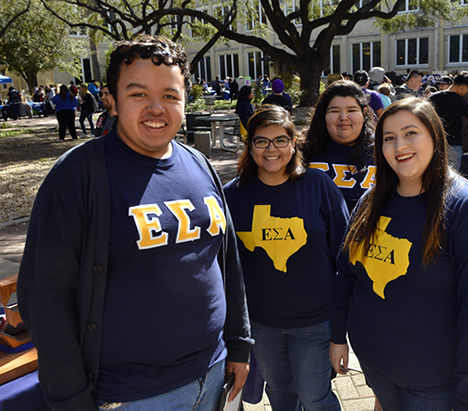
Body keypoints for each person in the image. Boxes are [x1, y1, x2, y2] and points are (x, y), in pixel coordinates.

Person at [18, 35, 252, 411]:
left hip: (215, 375)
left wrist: (239, 343)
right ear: (111, 98)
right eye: (139, 94)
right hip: (131, 396)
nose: (156, 108)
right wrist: (70, 398)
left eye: (171, 96)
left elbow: (228, 263)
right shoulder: (77, 176)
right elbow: (44, 298)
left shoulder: (200, 164)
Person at [330, 97, 468, 411]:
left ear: (435, 137)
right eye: (388, 138)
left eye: (411, 133)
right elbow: (347, 274)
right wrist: (337, 336)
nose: (399, 145)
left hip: (437, 388)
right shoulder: (371, 201)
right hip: (378, 371)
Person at [224, 104, 348, 411]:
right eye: (261, 141)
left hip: (315, 321)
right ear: (249, 147)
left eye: (281, 140)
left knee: (313, 397)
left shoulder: (318, 186)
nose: (271, 149)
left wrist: (341, 328)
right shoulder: (232, 195)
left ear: (294, 144)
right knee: (280, 395)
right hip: (262, 324)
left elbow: (345, 256)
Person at [303, 80, 376, 212]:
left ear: (364, 113)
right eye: (334, 111)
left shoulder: (383, 151)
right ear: (323, 115)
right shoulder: (302, 151)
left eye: (351, 110)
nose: (343, 117)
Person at [429, 71, 468, 170]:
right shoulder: (460, 101)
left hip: (434, 143)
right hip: (453, 145)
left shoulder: (433, 97)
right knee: (452, 179)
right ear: (463, 87)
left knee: (433, 175)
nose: (466, 92)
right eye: (467, 89)